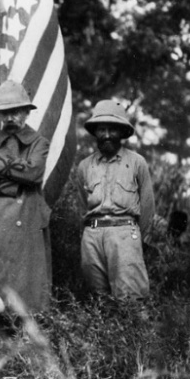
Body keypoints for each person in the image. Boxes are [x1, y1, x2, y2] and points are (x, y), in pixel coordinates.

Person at [0, 79, 52, 316]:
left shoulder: (39, 142)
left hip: (25, 217)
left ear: (26, 113)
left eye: (15, 112)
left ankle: (22, 330)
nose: (9, 118)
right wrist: (16, 176)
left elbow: (34, 174)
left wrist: (3, 166)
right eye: (4, 113)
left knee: (25, 287)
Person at [71, 99, 157, 302]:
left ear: (122, 132)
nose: (107, 135)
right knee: (98, 300)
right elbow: (82, 205)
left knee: (130, 300)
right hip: (92, 236)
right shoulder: (85, 166)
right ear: (95, 132)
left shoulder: (136, 163)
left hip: (125, 234)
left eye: (113, 129)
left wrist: (134, 239)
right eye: (102, 129)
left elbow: (147, 206)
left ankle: (137, 334)